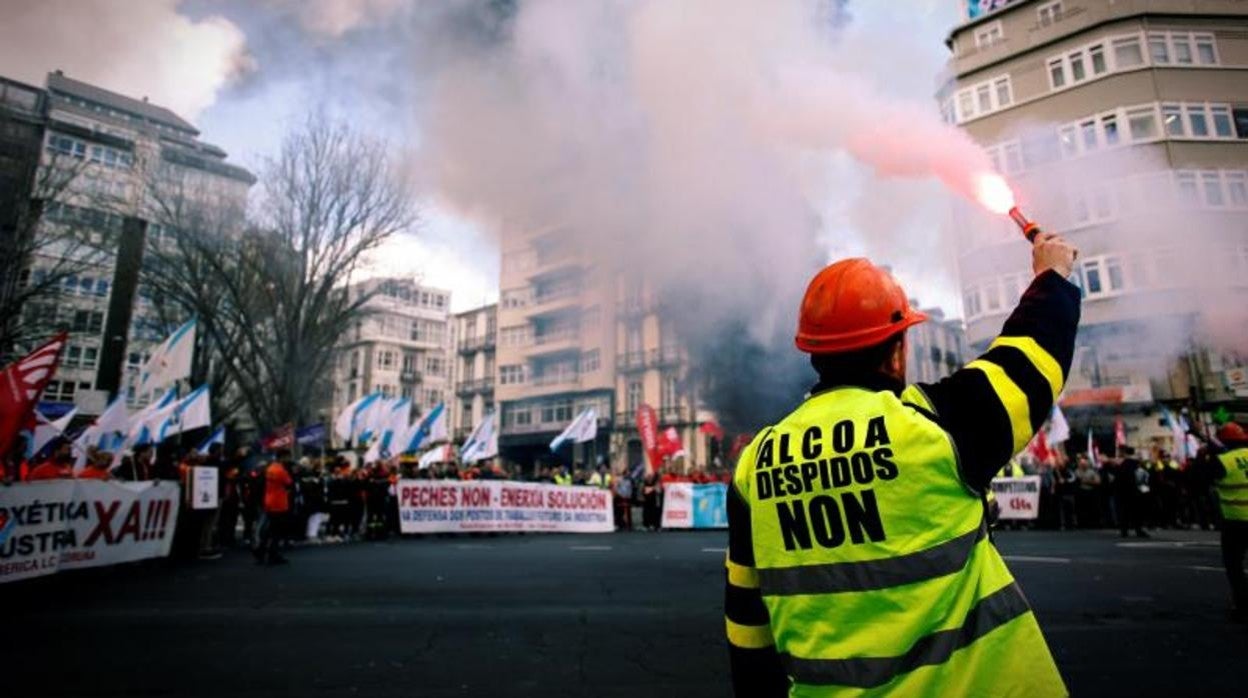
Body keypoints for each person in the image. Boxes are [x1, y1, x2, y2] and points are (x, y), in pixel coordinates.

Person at [726, 232, 1078, 696]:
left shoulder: (755, 465)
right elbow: (1030, 360)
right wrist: (1051, 275)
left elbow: (747, 633)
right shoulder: (935, 426)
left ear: (813, 353)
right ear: (898, 350)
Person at [1209, 423, 1248, 623]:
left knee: (1234, 565)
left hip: (1236, 521)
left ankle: (1242, 605)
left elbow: (1199, 478)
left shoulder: (1223, 461)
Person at [255, 452, 293, 565]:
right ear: (282, 457)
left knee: (270, 529)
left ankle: (261, 552)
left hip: (269, 500)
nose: (289, 459)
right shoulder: (281, 470)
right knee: (276, 531)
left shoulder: (270, 468)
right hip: (279, 502)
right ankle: (273, 554)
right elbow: (289, 483)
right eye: (287, 457)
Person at [1113, 447, 1150, 538]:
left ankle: (1124, 531)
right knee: (1137, 512)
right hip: (1136, 492)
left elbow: (1116, 480)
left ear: (1125, 453)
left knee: (1124, 512)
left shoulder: (1121, 465)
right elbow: (1144, 477)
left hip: (1123, 493)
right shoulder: (1138, 464)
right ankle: (1138, 530)